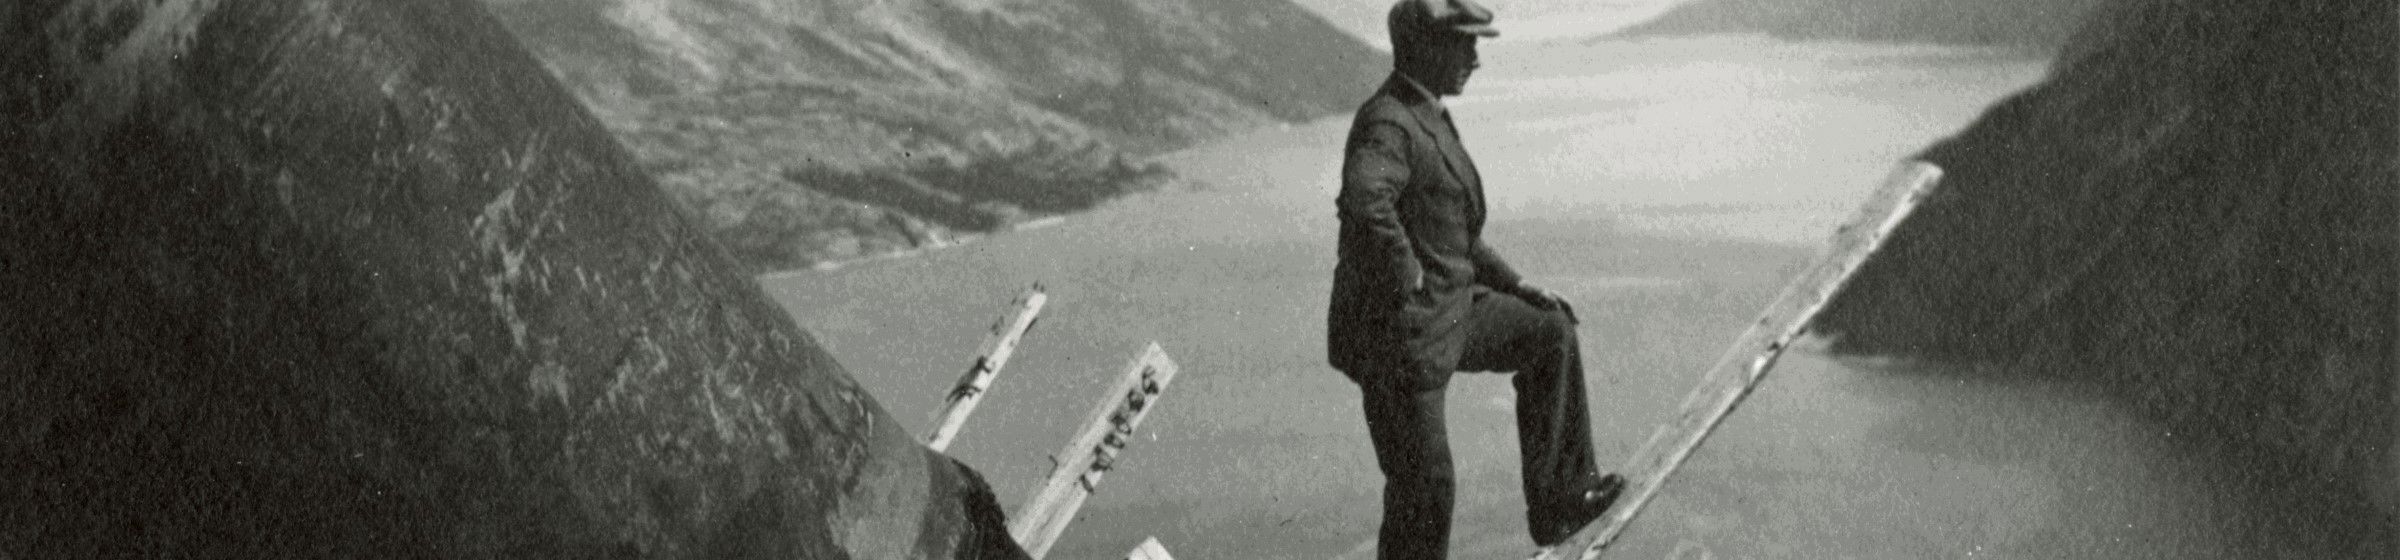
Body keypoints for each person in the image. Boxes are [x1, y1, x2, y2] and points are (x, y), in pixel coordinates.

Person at [1326, 1, 1623, 558]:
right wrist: (1405, 272)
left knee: (1548, 330)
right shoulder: (1389, 121)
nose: (1476, 60)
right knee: (1426, 490)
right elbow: (1366, 202)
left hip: (1450, 313)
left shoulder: (1426, 112)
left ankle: (1560, 500)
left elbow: (1453, 229)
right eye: (1465, 45)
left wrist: (1517, 283)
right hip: (1401, 342)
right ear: (1426, 47)